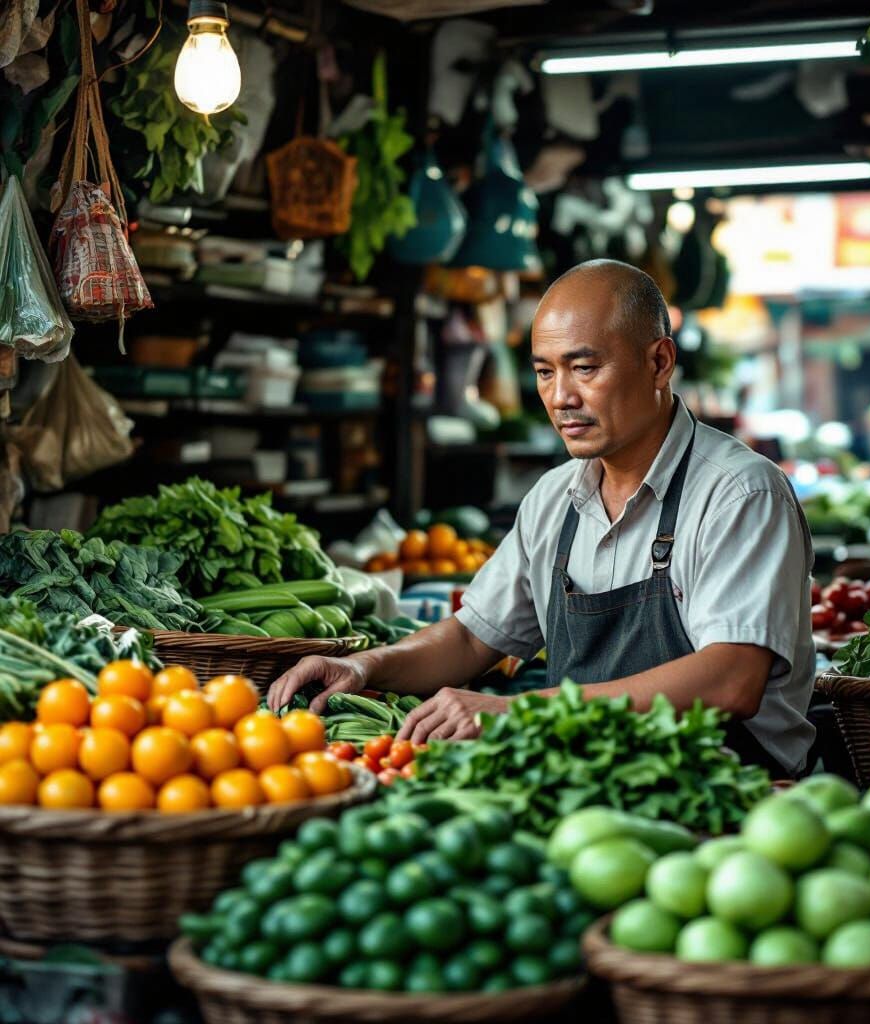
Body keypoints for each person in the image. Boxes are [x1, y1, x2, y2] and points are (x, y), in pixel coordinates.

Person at [269, 259, 816, 777]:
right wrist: (366, 667)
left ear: (659, 362)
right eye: (544, 372)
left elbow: (729, 683)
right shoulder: (555, 499)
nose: (561, 397)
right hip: (588, 779)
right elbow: (471, 640)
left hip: (734, 791)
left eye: (584, 368)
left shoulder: (740, 493)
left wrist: (520, 712)